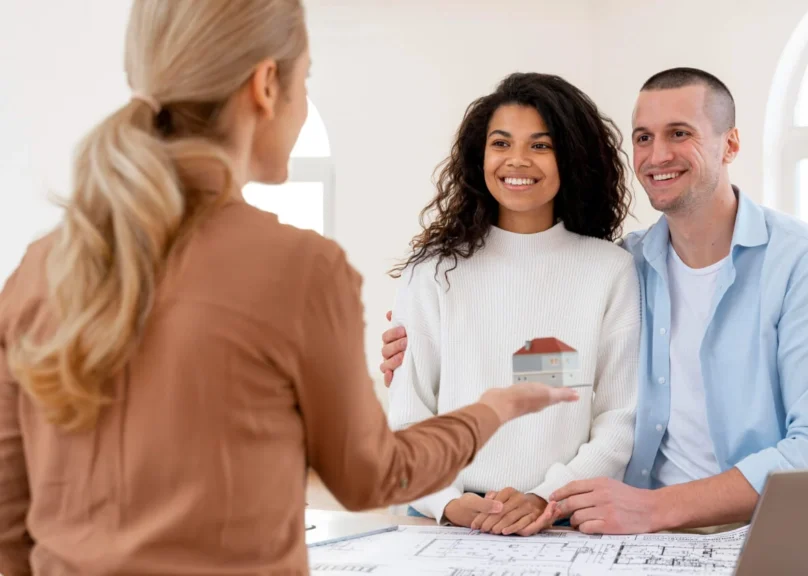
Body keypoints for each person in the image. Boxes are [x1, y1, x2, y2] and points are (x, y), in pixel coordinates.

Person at [0, 2, 577, 574]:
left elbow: (8, 513)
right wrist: (489, 411)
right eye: (306, 81)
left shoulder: (42, 263)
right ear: (266, 86)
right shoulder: (303, 268)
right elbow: (372, 476)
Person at [380, 67, 808, 535]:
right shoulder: (637, 261)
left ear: (730, 143)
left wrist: (604, 503)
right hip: (615, 526)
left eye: (680, 133)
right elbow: (432, 404)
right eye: (644, 137)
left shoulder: (803, 265)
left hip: (749, 527)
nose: (658, 155)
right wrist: (449, 496)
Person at [385, 72, 641, 537]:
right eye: (501, 143)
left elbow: (619, 417)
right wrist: (453, 504)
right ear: (479, 156)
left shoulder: (610, 270)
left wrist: (546, 496)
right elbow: (407, 418)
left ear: (572, 158)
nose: (517, 160)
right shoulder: (434, 271)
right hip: (445, 522)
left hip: (564, 520)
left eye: (541, 146)